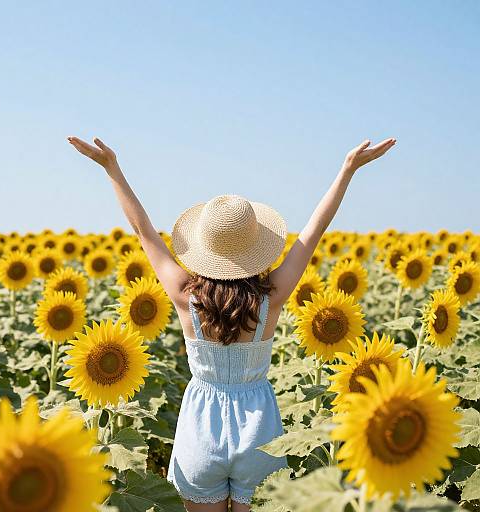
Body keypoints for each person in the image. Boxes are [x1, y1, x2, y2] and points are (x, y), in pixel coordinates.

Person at [67, 134, 396, 511]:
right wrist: (347, 170)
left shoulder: (184, 295)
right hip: (259, 430)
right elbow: (312, 233)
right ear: (255, 249)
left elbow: (143, 230)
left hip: (200, 430)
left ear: (205, 248)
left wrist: (112, 168)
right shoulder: (269, 299)